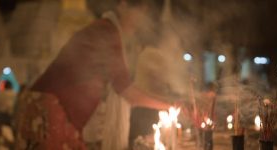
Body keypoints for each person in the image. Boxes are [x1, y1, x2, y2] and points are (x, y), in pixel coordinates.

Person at [15, 0, 172, 149]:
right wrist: (172, 106)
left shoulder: (107, 30)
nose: (141, 21)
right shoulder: (105, 31)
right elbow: (126, 91)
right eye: (140, 12)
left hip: (55, 111)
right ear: (123, 4)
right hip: (49, 112)